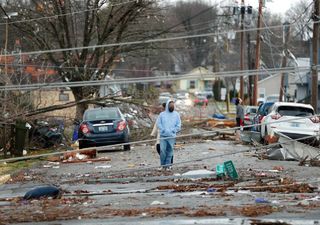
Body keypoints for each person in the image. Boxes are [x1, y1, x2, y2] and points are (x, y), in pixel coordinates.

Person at [157, 99, 181, 171]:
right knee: (162, 151)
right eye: (170, 105)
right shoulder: (162, 114)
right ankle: (162, 165)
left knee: (170, 151)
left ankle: (168, 165)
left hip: (171, 136)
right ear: (167, 105)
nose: (172, 107)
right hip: (163, 136)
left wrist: (174, 130)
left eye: (173, 106)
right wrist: (163, 130)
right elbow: (159, 124)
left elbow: (178, 125)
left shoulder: (176, 114)